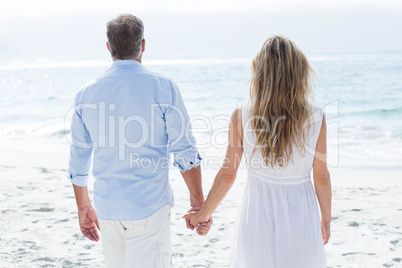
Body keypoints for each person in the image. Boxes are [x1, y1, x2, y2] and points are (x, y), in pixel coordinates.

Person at [67, 14, 212, 267]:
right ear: (143, 45)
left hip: (108, 208)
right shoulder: (163, 87)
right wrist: (198, 203)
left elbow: (79, 159)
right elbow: (184, 152)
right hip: (149, 207)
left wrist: (83, 207)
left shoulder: (86, 93)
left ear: (109, 47)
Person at [184, 35, 332, 267]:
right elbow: (321, 178)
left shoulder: (242, 116)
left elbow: (228, 175)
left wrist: (202, 215)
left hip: (257, 212)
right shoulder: (316, 117)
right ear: (299, 73)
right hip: (302, 212)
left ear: (260, 74)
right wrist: (326, 219)